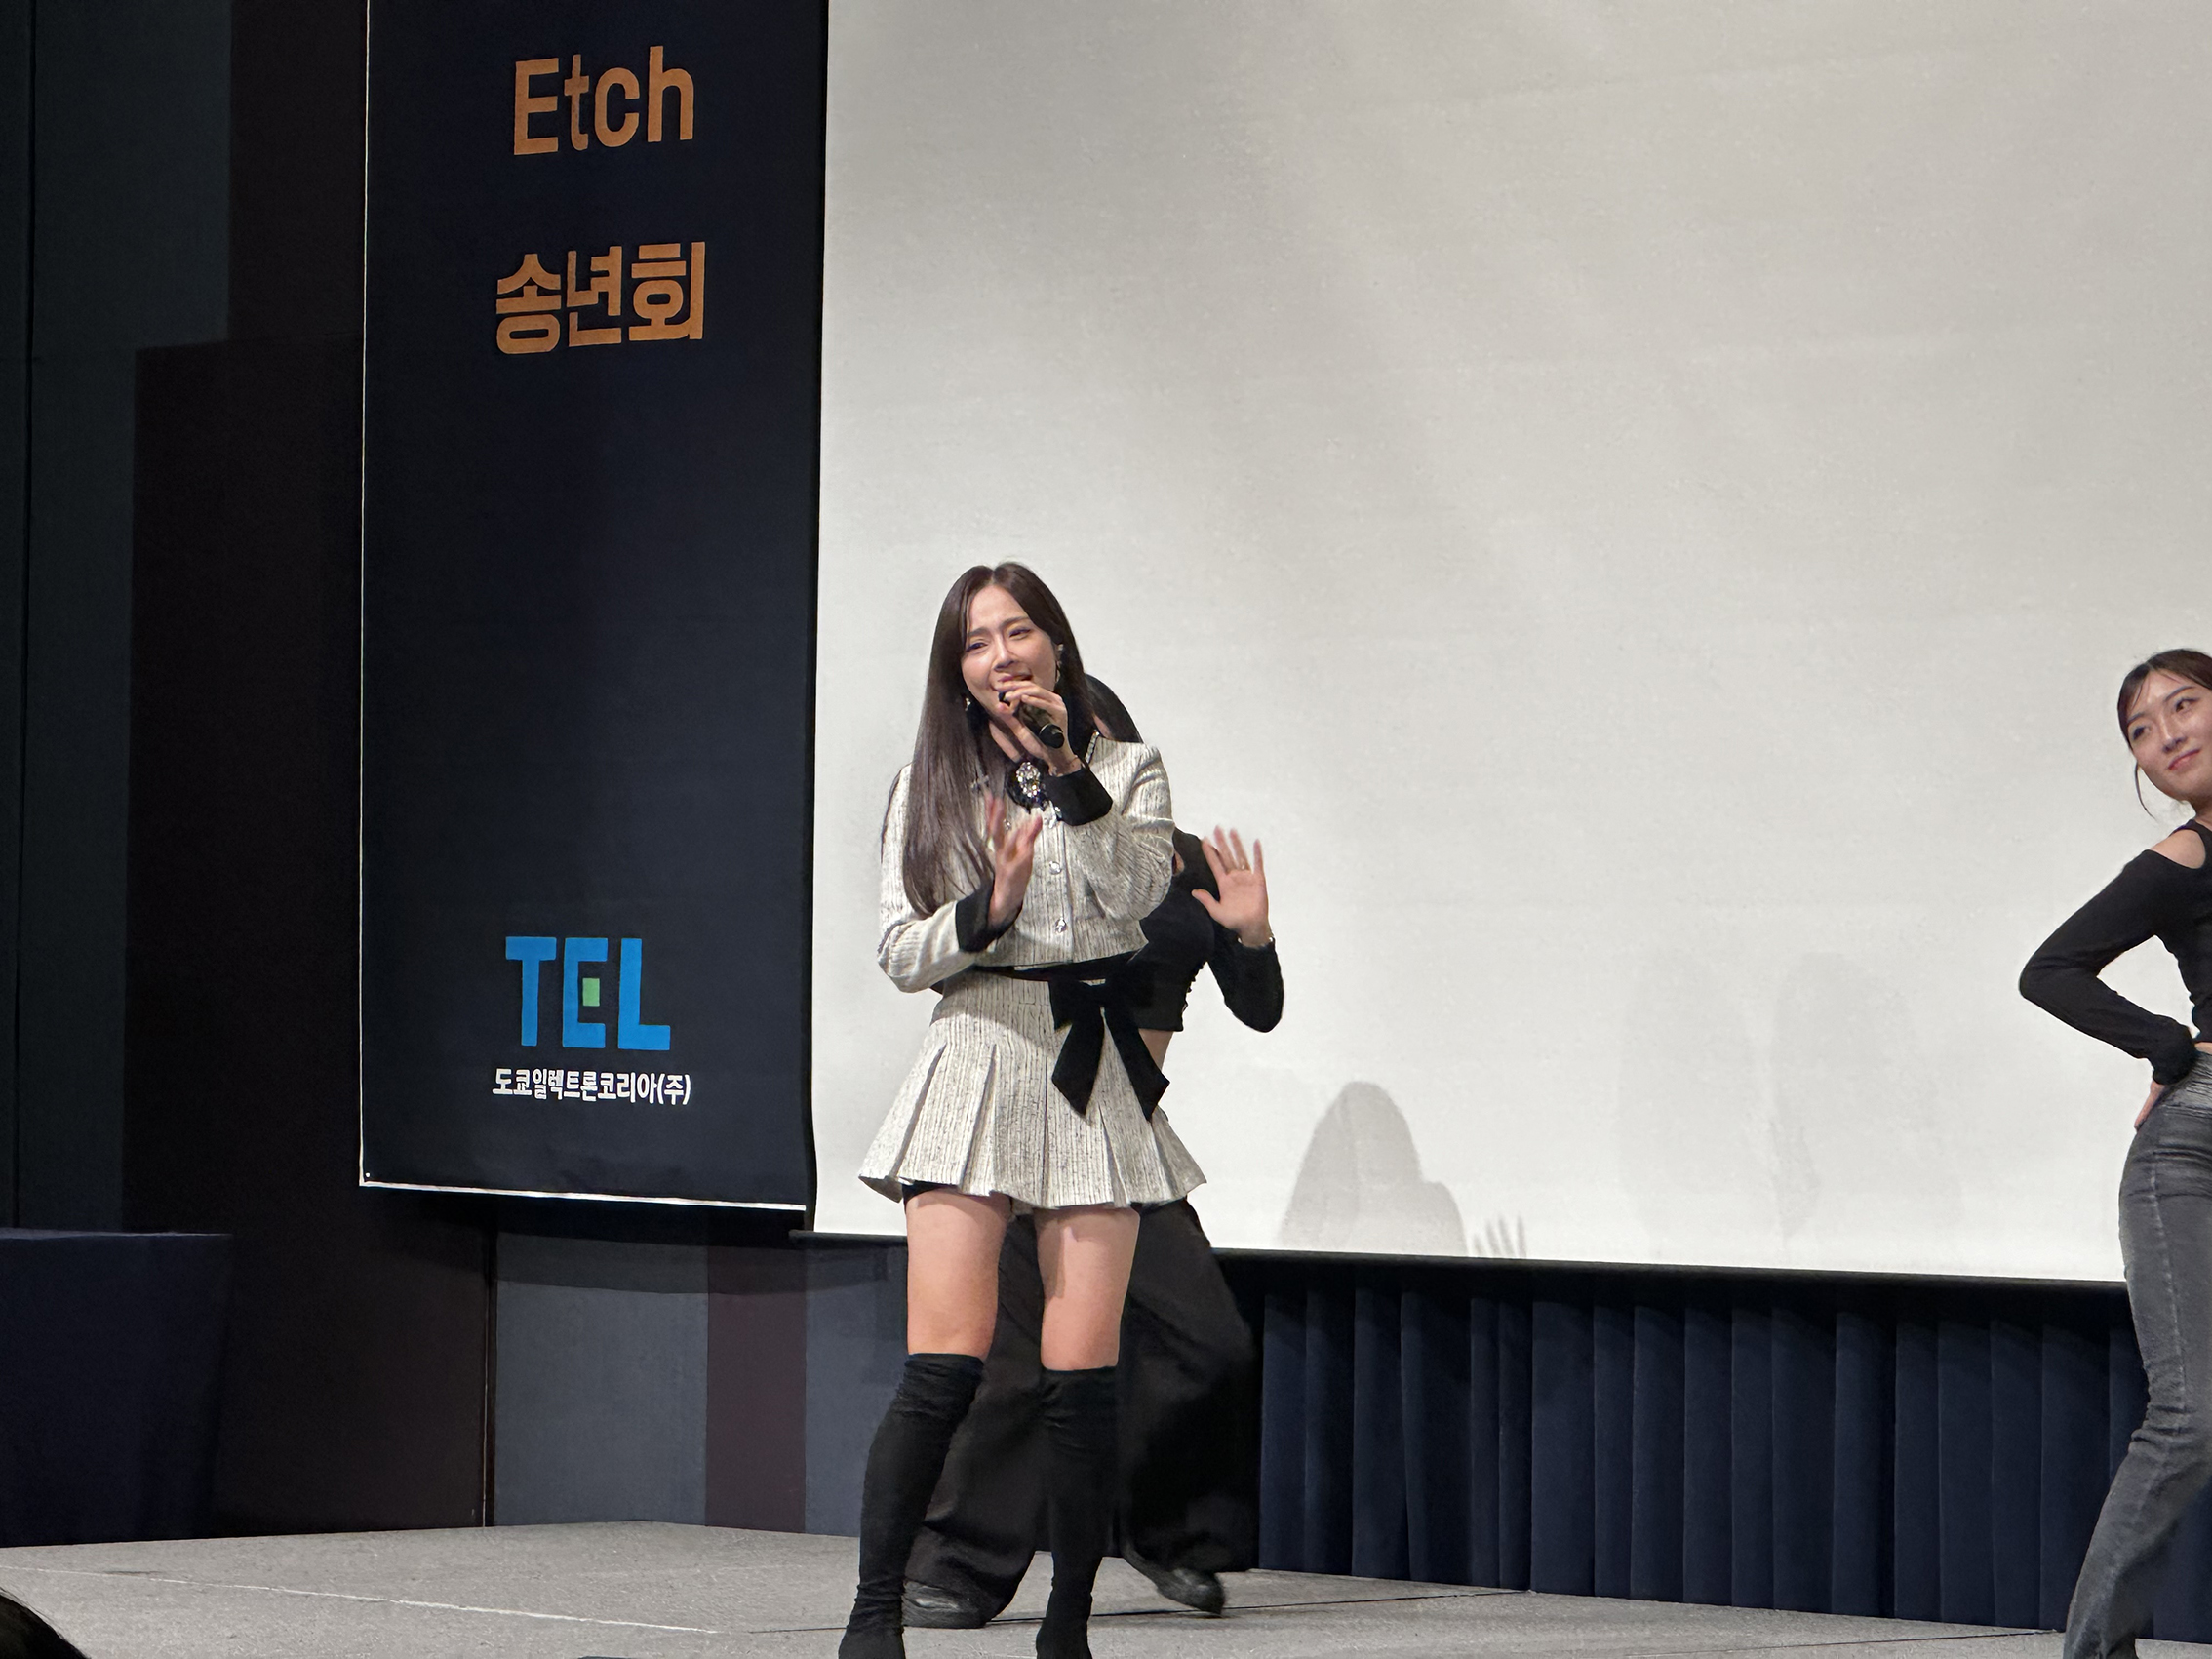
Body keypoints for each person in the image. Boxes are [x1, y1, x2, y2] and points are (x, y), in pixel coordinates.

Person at [842, 565, 1199, 1659]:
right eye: (977, 642)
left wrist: (1068, 768)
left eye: (1019, 632)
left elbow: (1134, 894)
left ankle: (1067, 1629)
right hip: (977, 1048)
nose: (1002, 656)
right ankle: (873, 1619)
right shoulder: (929, 786)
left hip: (1087, 1062)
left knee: (1080, 1379)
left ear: (1057, 646)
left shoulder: (1130, 768)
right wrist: (985, 909)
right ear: (957, 671)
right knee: (943, 1367)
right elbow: (901, 951)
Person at [905, 681, 1280, 1628]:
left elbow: (1261, 1008)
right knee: (1010, 1365)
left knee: (1209, 1342)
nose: (1060, 746)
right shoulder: (1013, 839)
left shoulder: (1174, 859)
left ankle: (1164, 1531)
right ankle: (959, 1565)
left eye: (1079, 733)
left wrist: (1253, 936)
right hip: (1018, 1117)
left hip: (1120, 1129)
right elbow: (944, 957)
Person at [2021, 648, 2212, 1659]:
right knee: (2194, 1412)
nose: (2166, 734)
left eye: (2185, 704)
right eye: (2142, 728)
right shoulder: (2182, 860)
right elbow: (2050, 969)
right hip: (2195, 1149)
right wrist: (2167, 1045)